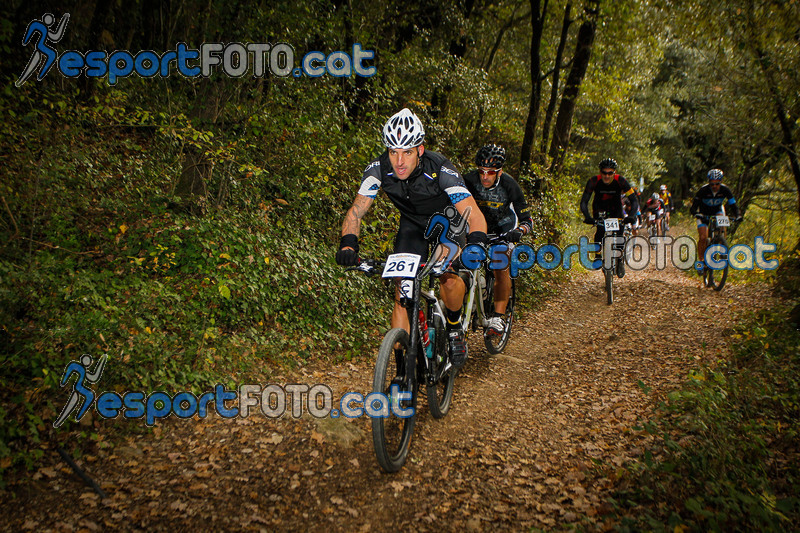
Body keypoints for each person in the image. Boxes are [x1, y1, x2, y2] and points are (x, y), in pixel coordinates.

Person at [336, 108, 488, 369]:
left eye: (406, 152)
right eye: (393, 152)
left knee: (448, 279)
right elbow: (357, 210)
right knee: (401, 289)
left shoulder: (440, 168)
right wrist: (348, 242)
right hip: (413, 226)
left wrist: (476, 241)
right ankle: (400, 366)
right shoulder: (378, 169)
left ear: (420, 149)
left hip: (448, 224)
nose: (399, 161)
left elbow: (472, 213)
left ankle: (453, 327)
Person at [462, 144, 533, 334]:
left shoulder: (510, 185)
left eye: (491, 172)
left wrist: (520, 231)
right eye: (482, 171)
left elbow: (527, 220)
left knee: (501, 262)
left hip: (503, 228)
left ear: (499, 171)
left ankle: (498, 317)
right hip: (476, 227)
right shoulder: (467, 180)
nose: (485, 177)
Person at [580, 158, 639, 273]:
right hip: (599, 208)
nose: (607, 176)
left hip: (616, 209)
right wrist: (587, 216)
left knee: (620, 233)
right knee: (600, 230)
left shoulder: (621, 181)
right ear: (600, 172)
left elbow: (634, 200)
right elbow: (584, 201)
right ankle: (597, 256)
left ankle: (620, 260)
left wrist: (631, 216)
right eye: (604, 173)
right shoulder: (593, 181)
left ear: (614, 173)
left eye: (610, 173)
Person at [690, 169, 741, 274]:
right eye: (712, 183)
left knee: (723, 223)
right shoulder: (703, 190)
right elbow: (693, 207)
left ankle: (722, 242)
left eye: (717, 183)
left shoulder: (725, 190)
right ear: (709, 182)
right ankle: (701, 262)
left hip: (717, 210)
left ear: (721, 182)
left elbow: (733, 205)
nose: (714, 186)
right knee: (703, 237)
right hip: (703, 213)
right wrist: (696, 214)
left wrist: (738, 215)